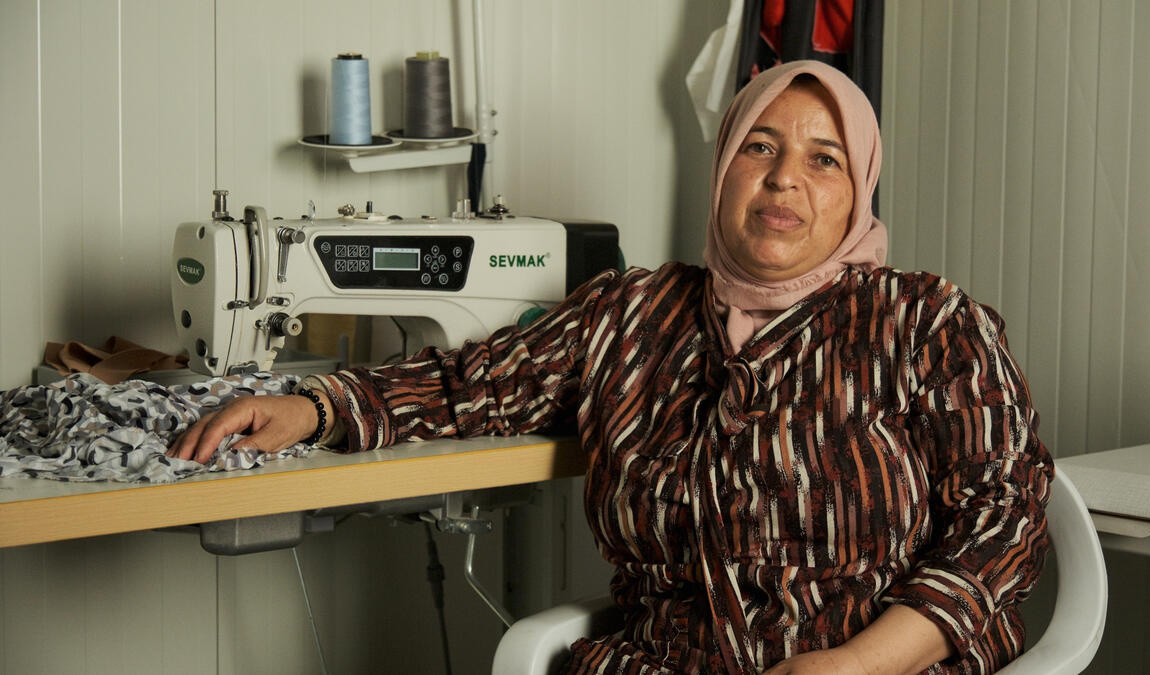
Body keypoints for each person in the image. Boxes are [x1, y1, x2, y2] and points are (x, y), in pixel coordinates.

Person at [170, 60, 1053, 674]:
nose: (785, 179)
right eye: (760, 146)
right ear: (723, 170)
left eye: (823, 160)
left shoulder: (928, 321)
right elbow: (473, 382)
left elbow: (1007, 524)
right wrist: (316, 407)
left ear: (858, 189)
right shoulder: (633, 313)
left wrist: (858, 664)